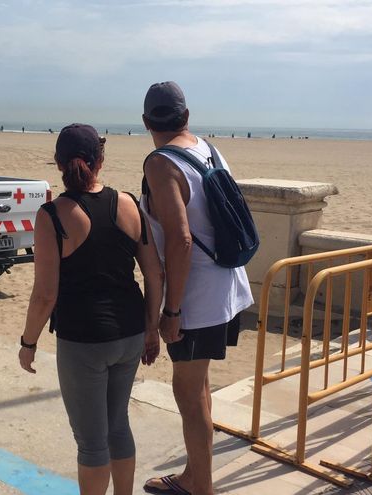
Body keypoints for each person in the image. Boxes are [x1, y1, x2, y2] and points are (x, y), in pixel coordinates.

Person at [18, 124, 163, 495]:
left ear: (58, 163)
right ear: (100, 160)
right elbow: (154, 273)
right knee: (118, 425)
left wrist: (28, 342)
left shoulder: (52, 216)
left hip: (83, 341)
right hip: (130, 333)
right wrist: (151, 329)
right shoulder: (128, 204)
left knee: (92, 441)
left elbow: (44, 295)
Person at [139, 82, 253, 495]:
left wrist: (171, 311)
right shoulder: (207, 149)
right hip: (228, 287)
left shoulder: (160, 163)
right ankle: (194, 476)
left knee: (187, 393)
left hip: (196, 299)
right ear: (186, 116)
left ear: (146, 122)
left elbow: (181, 239)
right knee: (198, 387)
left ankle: (200, 488)